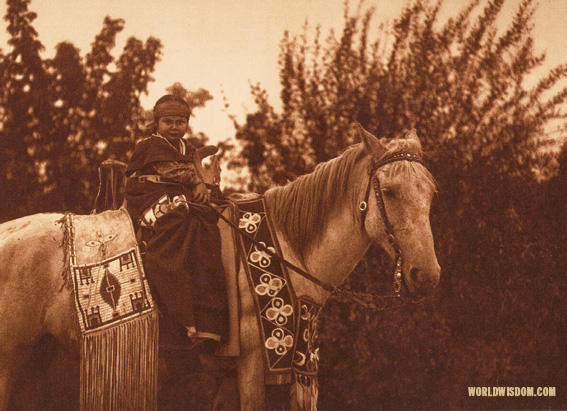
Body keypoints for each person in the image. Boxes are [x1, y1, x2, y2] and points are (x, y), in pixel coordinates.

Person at [125, 94, 227, 347]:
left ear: (187, 124)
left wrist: (207, 186)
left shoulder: (188, 149)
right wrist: (198, 182)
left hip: (180, 195)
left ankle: (206, 316)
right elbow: (169, 170)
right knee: (178, 216)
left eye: (180, 122)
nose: (174, 127)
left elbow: (195, 172)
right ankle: (160, 262)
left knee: (211, 221)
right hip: (149, 195)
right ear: (156, 123)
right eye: (168, 122)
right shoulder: (150, 145)